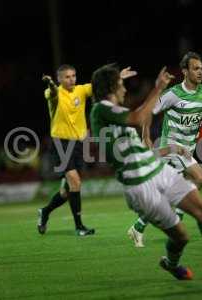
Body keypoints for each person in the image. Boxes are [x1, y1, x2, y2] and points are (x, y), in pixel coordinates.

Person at [90, 63, 202, 282]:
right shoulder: (100, 110)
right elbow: (138, 117)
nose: (124, 89)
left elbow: (142, 151)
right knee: (182, 237)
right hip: (140, 187)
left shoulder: (115, 115)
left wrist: (170, 148)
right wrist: (158, 88)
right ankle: (170, 263)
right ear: (110, 87)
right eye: (120, 85)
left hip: (160, 171)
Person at [127, 51, 202, 247]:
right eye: (195, 68)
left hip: (188, 149)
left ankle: (139, 226)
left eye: (201, 68)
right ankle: (174, 219)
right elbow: (148, 111)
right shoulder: (173, 94)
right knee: (200, 178)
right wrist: (145, 135)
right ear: (185, 71)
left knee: (169, 193)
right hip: (171, 146)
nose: (200, 72)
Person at [37, 64, 136, 236]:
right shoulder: (54, 92)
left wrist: (118, 76)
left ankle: (45, 212)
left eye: (73, 75)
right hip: (61, 143)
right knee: (75, 182)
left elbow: (101, 85)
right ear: (60, 79)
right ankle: (79, 227)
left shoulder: (81, 90)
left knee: (66, 191)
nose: (71, 79)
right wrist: (51, 84)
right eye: (67, 77)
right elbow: (52, 93)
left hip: (78, 144)